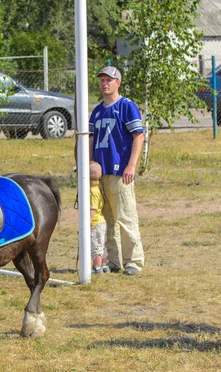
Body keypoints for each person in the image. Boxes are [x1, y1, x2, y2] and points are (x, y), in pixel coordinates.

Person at [89, 66, 145, 276]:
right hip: (100, 174)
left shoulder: (127, 106)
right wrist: (88, 163)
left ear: (118, 83)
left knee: (126, 218)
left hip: (120, 172)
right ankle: (114, 261)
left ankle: (134, 262)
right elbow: (91, 139)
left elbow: (138, 136)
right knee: (106, 220)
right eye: (102, 80)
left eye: (109, 80)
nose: (105, 84)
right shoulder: (97, 110)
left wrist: (131, 165)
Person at [89, 161, 109, 274]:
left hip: (96, 223)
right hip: (101, 221)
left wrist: (88, 224)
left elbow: (92, 209)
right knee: (102, 245)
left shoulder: (92, 192)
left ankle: (97, 267)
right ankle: (104, 265)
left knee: (96, 245)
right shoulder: (98, 188)